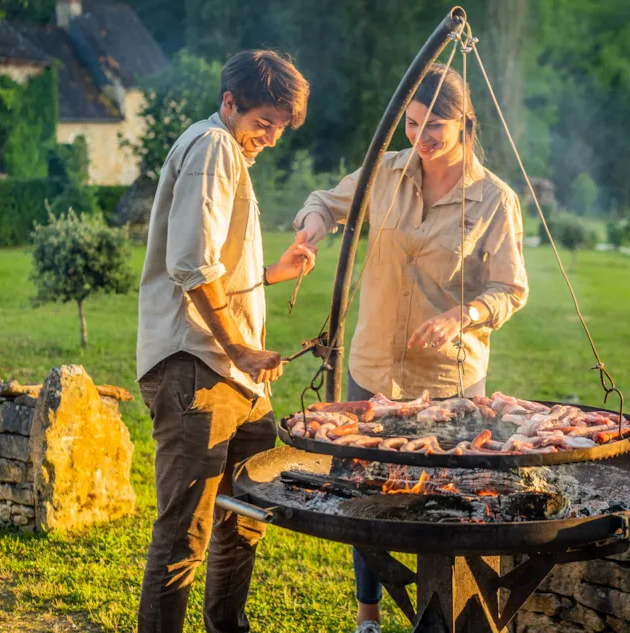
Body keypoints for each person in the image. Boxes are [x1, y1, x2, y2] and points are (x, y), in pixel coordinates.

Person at [293, 63, 529, 633]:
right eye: (413, 123)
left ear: (464, 125)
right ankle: (368, 616)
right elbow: (324, 201)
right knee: (363, 495)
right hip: (374, 367)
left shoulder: (494, 199)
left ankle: (447, 612)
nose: (419, 139)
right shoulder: (386, 172)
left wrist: (463, 315)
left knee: (444, 501)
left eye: (434, 128)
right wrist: (312, 227)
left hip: (447, 378)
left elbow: (511, 289)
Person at [136, 50, 314, 633]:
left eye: (279, 127)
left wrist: (269, 275)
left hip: (234, 378)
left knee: (249, 503)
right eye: (263, 121)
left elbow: (218, 262)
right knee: (185, 527)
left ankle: (226, 626)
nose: (270, 136)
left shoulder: (228, 154)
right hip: (197, 368)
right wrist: (238, 346)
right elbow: (190, 265)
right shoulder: (212, 148)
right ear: (229, 103)